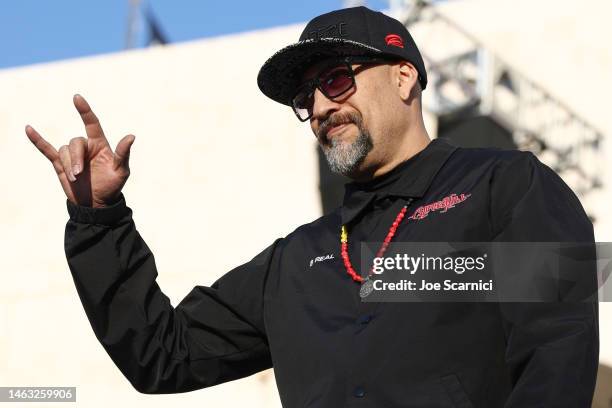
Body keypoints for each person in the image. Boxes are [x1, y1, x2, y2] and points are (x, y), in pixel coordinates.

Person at [26, 6, 598, 407]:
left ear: (404, 78)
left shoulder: (503, 187)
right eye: (306, 98)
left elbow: (557, 345)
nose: (321, 106)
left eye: (337, 79)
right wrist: (99, 219)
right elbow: (162, 355)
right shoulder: (300, 262)